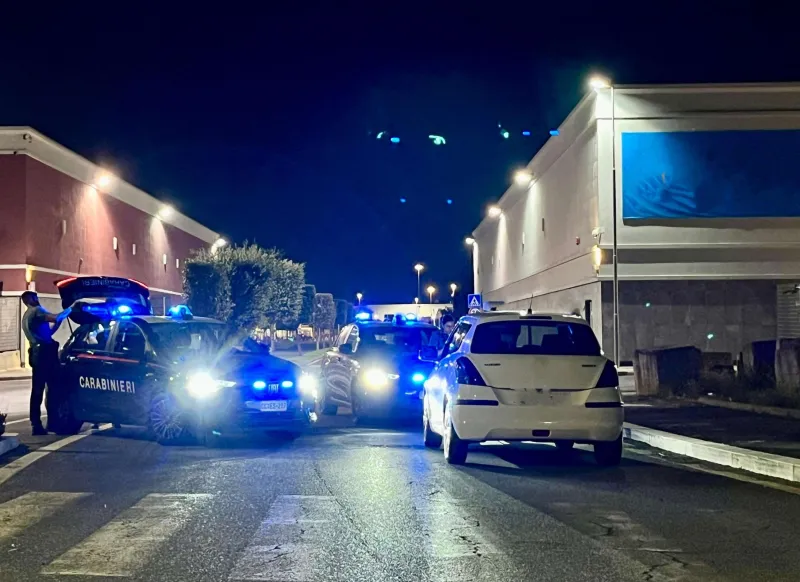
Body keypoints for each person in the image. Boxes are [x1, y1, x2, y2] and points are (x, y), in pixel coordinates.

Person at [20, 291, 72, 435]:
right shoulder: (37, 311)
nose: (37, 299)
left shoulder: (27, 315)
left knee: (38, 390)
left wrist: (59, 321)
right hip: (45, 354)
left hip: (37, 353)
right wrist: (71, 309)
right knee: (53, 389)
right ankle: (52, 423)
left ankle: (37, 424)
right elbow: (55, 317)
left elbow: (48, 332)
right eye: (35, 297)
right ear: (30, 299)